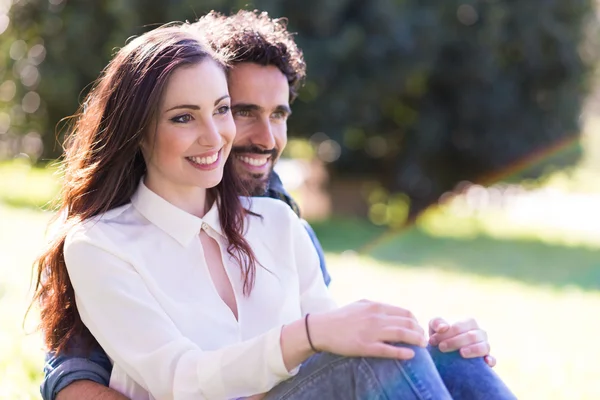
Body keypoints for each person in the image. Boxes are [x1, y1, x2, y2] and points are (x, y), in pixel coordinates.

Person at [36, 12, 510, 400]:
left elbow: (336, 343)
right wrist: (308, 335)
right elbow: (177, 379)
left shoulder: (278, 221)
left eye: (221, 110)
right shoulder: (100, 244)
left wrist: (418, 334)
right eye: (184, 117)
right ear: (137, 131)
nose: (214, 135)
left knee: (445, 354)